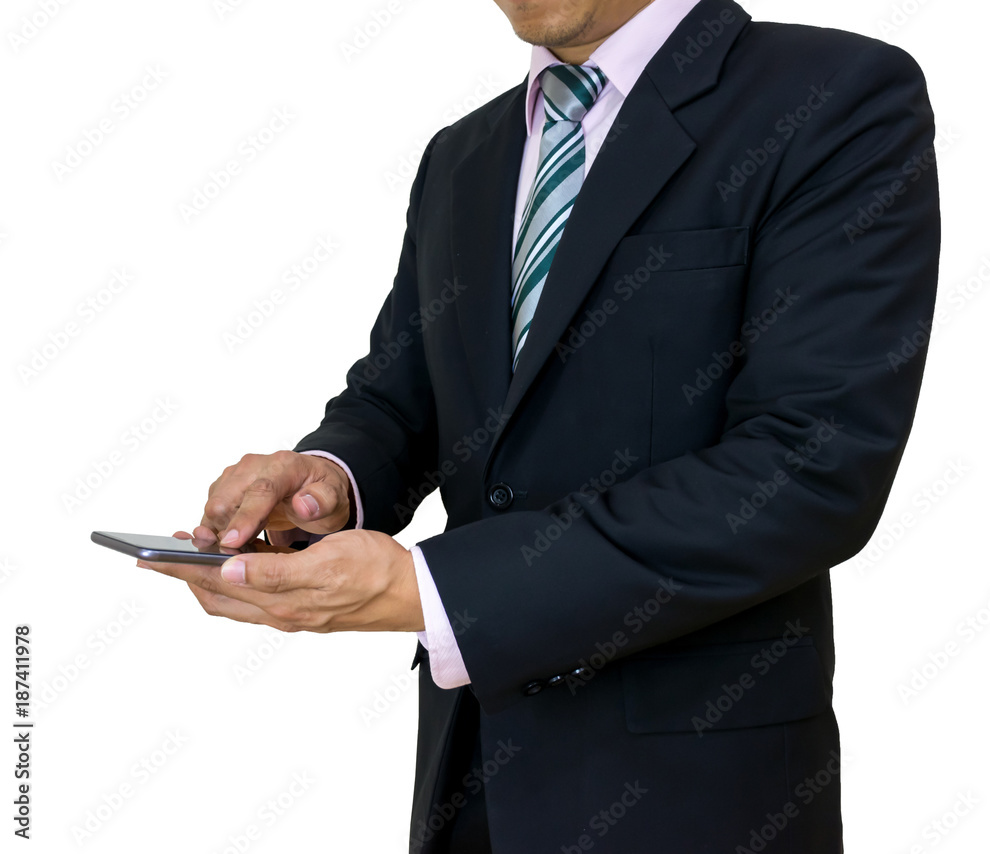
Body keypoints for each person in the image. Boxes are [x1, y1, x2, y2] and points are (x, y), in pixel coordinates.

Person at [141, 0, 941, 850]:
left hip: (697, 800)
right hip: (471, 779)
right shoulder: (463, 156)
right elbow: (402, 398)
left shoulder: (833, 96)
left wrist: (444, 593)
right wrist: (328, 477)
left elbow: (809, 467)